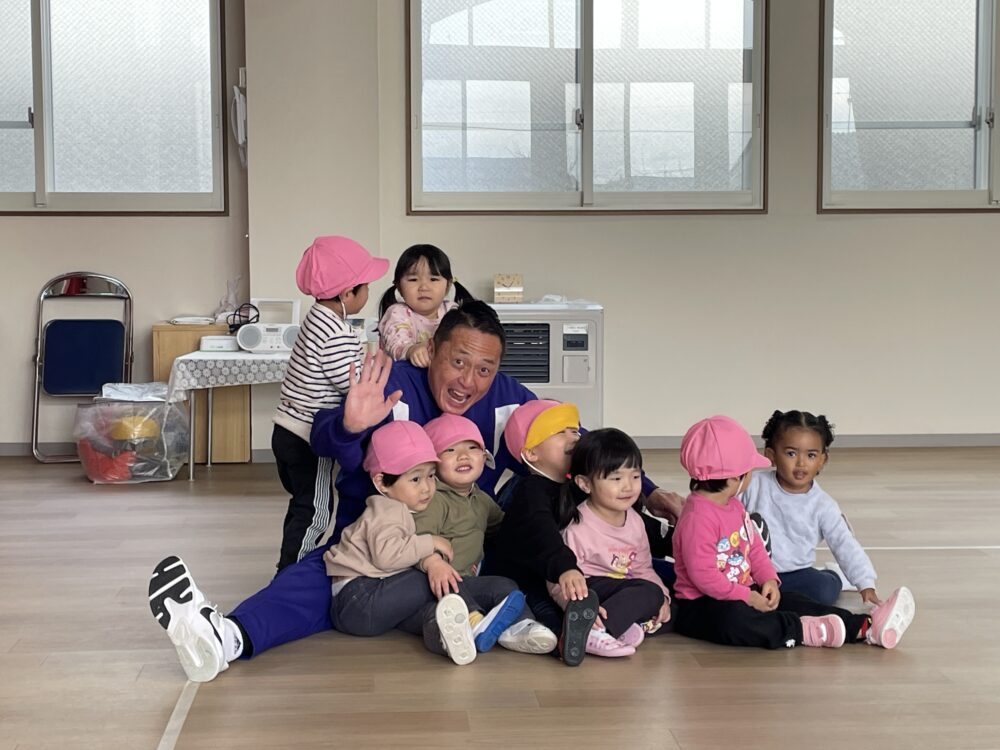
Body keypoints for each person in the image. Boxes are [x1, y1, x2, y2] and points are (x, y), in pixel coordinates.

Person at [147, 301, 681, 681]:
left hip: (467, 544)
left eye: (484, 368)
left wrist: (650, 493)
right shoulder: (394, 383)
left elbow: (582, 446)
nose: (468, 380)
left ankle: (681, 583)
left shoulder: (509, 398)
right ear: (433, 350)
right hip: (381, 539)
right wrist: (349, 424)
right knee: (320, 581)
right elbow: (327, 440)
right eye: (458, 362)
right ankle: (226, 637)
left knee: (572, 550)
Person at [671, 415, 915, 651]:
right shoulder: (697, 517)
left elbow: (754, 547)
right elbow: (704, 577)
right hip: (701, 604)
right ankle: (801, 630)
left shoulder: (734, 505)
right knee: (734, 619)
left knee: (793, 601)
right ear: (736, 476)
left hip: (741, 590)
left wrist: (768, 579)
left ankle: (865, 626)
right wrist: (748, 597)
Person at [325, 420, 527, 666]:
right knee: (427, 578)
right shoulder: (386, 510)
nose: (427, 488)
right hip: (358, 598)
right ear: (382, 483)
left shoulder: (409, 507)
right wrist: (430, 543)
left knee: (437, 612)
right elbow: (386, 556)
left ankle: (445, 638)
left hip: (378, 603)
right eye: (415, 479)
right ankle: (473, 618)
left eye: (431, 476)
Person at [271, 235, 389, 571]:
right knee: (315, 512)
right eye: (365, 287)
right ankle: (289, 574)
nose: (368, 293)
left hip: (285, 430)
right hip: (306, 438)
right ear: (347, 293)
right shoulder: (335, 334)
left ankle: (289, 565)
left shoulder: (317, 318)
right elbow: (353, 385)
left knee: (302, 504)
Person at [415, 413, 557, 654]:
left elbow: (504, 528)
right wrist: (434, 563)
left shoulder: (481, 499)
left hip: (468, 581)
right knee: (452, 591)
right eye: (450, 450)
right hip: (435, 580)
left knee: (505, 585)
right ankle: (471, 622)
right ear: (433, 464)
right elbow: (419, 539)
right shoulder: (434, 499)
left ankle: (521, 627)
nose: (463, 455)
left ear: (484, 456)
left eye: (472, 448)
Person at [549, 429, 672, 658]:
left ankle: (619, 628)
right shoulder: (578, 527)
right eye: (616, 479)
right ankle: (590, 631)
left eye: (635, 477)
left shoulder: (635, 521)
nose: (628, 487)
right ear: (585, 484)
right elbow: (558, 583)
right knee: (649, 593)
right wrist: (580, 607)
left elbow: (643, 569)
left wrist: (663, 598)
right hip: (588, 592)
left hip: (624, 591)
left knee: (668, 607)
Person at [741, 410, 881, 606]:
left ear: (822, 460)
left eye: (811, 455)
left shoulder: (823, 505)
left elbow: (844, 544)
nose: (801, 463)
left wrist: (865, 583)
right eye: (791, 453)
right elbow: (722, 507)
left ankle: (835, 576)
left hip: (795, 575)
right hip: (751, 571)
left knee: (821, 591)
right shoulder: (753, 484)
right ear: (771, 455)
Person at [376, 244, 473, 366]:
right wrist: (410, 350)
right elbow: (396, 344)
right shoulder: (397, 313)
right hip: (403, 374)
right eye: (413, 280)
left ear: (448, 285)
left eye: (433, 279)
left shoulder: (452, 311)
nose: (424, 287)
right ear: (399, 287)